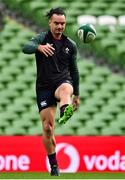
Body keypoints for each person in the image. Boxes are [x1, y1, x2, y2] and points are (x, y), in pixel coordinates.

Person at [22, 7, 80, 176]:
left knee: (65, 89)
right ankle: (54, 165)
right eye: (56, 23)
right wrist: (38, 47)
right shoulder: (42, 38)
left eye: (63, 23)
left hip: (63, 81)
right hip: (44, 87)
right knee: (47, 128)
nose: (60, 26)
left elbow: (74, 71)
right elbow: (26, 47)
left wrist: (77, 94)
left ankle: (65, 109)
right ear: (50, 22)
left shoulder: (70, 45)